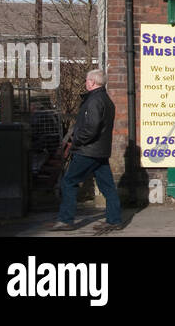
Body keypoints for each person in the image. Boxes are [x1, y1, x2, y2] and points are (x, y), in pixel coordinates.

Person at [52, 69, 122, 231]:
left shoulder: (94, 101)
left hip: (87, 151)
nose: (85, 83)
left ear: (92, 82)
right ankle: (114, 220)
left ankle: (65, 220)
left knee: (69, 182)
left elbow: (91, 128)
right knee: (108, 186)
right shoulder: (106, 100)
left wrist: (76, 142)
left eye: (86, 80)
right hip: (100, 151)